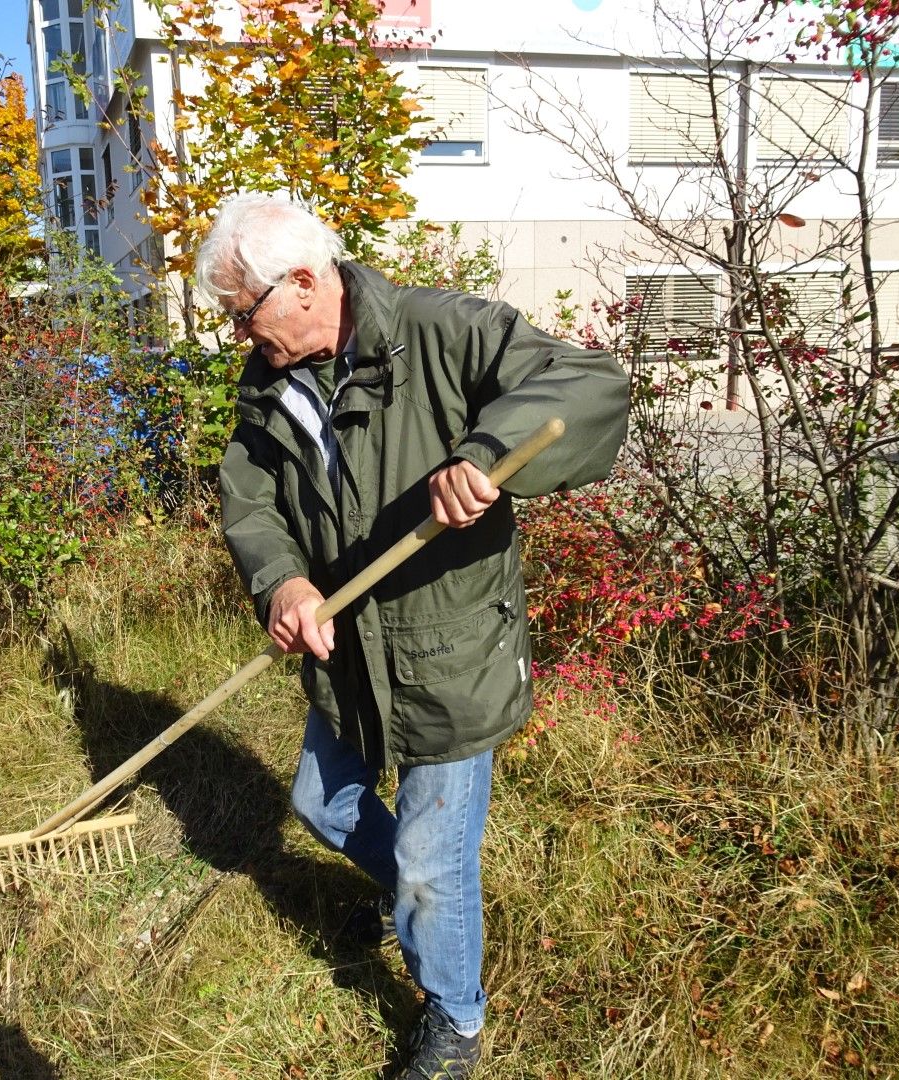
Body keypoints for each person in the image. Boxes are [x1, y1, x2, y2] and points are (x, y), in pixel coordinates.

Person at [199, 192, 629, 1080]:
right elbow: (249, 496)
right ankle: (426, 908)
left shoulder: (439, 330)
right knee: (323, 805)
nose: (242, 335)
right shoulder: (272, 380)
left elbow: (589, 382)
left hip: (449, 655)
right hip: (348, 649)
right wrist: (282, 582)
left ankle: (456, 1018)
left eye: (244, 313)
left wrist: (488, 449)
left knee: (435, 860)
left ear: (306, 284)